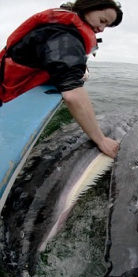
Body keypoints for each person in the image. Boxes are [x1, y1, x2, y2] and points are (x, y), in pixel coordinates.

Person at [0, 0, 123, 158]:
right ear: (89, 8)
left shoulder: (61, 26)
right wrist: (101, 140)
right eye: (102, 21)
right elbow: (72, 94)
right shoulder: (64, 36)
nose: (102, 29)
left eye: (107, 26)